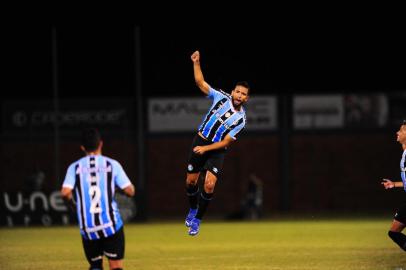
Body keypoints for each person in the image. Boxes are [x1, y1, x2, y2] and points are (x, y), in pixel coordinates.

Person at [185, 50, 250, 236]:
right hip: (200, 140)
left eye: (243, 94)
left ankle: (197, 220)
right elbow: (200, 83)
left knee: (209, 185)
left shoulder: (241, 120)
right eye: (237, 91)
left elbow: (226, 143)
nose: (239, 95)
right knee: (191, 182)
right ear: (232, 92)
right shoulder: (220, 97)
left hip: (215, 150)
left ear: (246, 98)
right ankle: (192, 208)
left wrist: (205, 149)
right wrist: (196, 62)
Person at [61, 128, 135, 270]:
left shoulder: (74, 167)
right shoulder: (111, 165)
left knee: (95, 266)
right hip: (110, 226)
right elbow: (130, 190)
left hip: (88, 228)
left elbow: (65, 192)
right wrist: (116, 190)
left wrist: (73, 204)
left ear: (82, 147)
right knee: (116, 266)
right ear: (101, 144)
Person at [381, 120, 406, 252]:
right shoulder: (404, 154)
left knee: (394, 232)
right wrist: (394, 184)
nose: (397, 132)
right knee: (394, 232)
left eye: (401, 130)